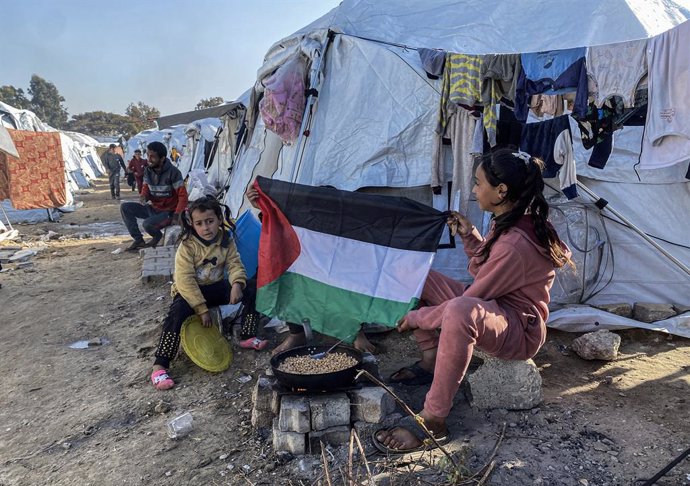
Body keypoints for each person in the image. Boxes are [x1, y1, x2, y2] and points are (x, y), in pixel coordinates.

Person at [374, 148, 573, 454]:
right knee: (413, 276)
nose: (476, 190)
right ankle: (431, 360)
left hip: (519, 331)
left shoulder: (516, 242)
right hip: (496, 309)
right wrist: (471, 236)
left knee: (459, 310)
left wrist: (417, 319)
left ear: (501, 191)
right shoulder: (509, 218)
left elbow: (472, 298)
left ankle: (434, 419)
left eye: (479, 184)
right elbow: (488, 271)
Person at [245, 184, 381, 356]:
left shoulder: (347, 233)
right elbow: (277, 225)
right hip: (309, 283)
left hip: (339, 284)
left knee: (352, 281)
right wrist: (261, 205)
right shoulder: (302, 226)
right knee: (286, 277)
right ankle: (297, 333)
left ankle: (355, 333)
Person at [151, 196, 247, 390]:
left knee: (251, 289)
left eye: (210, 221)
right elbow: (184, 280)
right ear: (192, 224)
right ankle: (160, 365)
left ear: (219, 219)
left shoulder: (225, 239)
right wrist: (201, 309)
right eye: (200, 223)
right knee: (177, 313)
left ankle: (247, 334)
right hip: (189, 292)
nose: (206, 228)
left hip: (215, 286)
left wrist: (237, 283)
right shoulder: (187, 246)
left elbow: (235, 263)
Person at [120, 141, 188, 251]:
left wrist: (177, 215)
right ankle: (138, 240)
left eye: (152, 157)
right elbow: (146, 186)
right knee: (125, 208)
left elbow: (183, 196)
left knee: (147, 225)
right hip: (154, 209)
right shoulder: (148, 170)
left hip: (168, 212)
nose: (149, 159)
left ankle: (157, 236)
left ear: (162, 159)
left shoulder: (174, 173)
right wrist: (143, 196)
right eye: (147, 155)